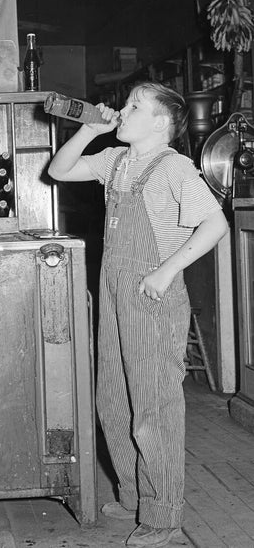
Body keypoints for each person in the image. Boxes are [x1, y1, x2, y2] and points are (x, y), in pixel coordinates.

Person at [48, 82, 228, 548]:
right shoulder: (117, 162)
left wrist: (168, 271)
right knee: (113, 400)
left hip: (153, 297)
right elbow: (60, 169)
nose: (122, 111)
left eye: (134, 107)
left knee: (154, 410)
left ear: (161, 123)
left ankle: (164, 517)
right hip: (113, 293)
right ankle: (133, 496)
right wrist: (90, 129)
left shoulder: (174, 168)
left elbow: (215, 224)